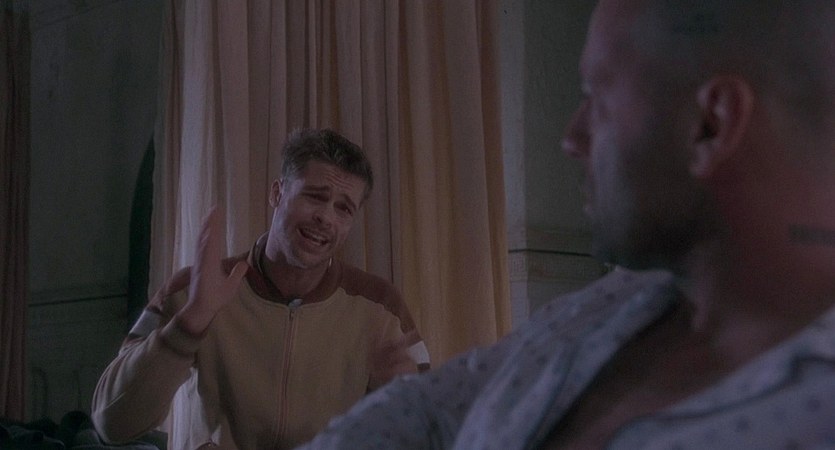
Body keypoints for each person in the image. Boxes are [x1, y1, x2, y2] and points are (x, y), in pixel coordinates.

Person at [297, 0, 835, 448]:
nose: (572, 139)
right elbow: (427, 408)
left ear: (710, 125)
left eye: (596, 100)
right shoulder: (611, 307)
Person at [91, 128, 430, 450]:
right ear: (277, 193)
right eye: (315, 196)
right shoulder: (194, 289)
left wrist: (403, 405)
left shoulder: (381, 306)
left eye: (343, 208)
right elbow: (111, 422)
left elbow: (437, 431)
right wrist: (190, 323)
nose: (326, 218)